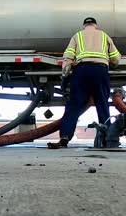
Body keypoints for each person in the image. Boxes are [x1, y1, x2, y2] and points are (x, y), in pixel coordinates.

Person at [48, 17, 121, 149]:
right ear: (96, 26)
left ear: (84, 26)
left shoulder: (78, 36)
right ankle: (108, 139)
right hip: (100, 71)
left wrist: (65, 74)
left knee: (74, 106)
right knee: (102, 105)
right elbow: (116, 57)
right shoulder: (104, 35)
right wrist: (112, 63)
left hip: (82, 71)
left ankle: (65, 136)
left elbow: (68, 57)